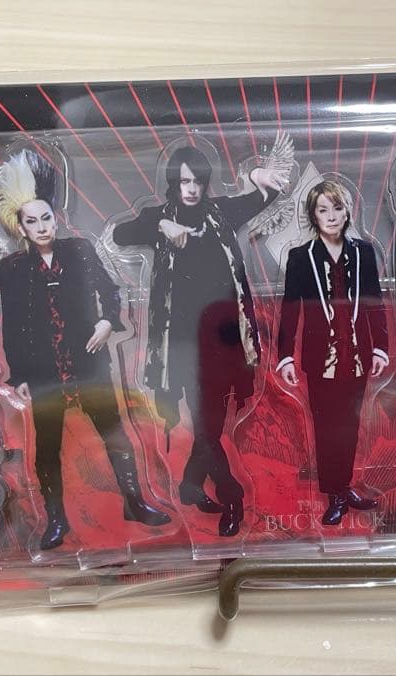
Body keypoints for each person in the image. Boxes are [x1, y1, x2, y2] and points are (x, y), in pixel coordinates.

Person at [0, 149, 170, 551]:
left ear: (55, 218)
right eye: (32, 221)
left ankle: (135, 502)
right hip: (43, 370)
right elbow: (13, 325)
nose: (41, 227)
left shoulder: (79, 249)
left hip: (89, 363)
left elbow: (110, 291)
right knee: (47, 445)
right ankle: (56, 519)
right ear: (21, 227)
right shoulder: (12, 268)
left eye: (46, 218)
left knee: (114, 432)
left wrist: (107, 322)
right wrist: (19, 375)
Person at [112, 143, 289, 537]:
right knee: (207, 423)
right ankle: (232, 495)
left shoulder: (221, 212)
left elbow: (263, 197)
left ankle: (191, 484)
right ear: (174, 183)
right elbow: (120, 234)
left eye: (197, 181)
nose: (191, 189)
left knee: (211, 422)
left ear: (206, 183)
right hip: (183, 345)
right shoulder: (158, 217)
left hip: (226, 338)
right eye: (184, 182)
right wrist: (161, 226)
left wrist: (257, 177)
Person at [276, 180, 388, 525]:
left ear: (347, 211)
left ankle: (345, 485)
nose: (331, 216)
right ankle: (335, 495)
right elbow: (290, 309)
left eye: (337, 208)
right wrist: (285, 356)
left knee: (350, 424)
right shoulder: (301, 257)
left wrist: (380, 348)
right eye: (323, 210)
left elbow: (374, 301)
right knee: (327, 427)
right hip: (321, 358)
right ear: (313, 215)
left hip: (357, 354)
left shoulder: (363, 252)